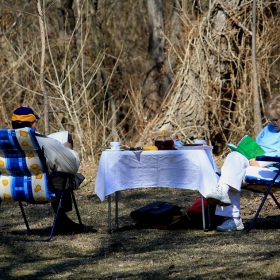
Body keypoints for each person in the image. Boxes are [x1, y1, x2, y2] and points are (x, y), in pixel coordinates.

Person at [206, 94, 280, 232]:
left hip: (274, 171)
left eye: (276, 120)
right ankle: (222, 191)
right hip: (255, 165)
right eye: (271, 120)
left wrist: (262, 163)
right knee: (234, 156)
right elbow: (257, 148)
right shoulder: (268, 129)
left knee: (232, 174)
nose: (273, 123)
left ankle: (234, 219)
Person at [11, 106, 86, 234]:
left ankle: (63, 220)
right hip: (43, 190)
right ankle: (62, 221)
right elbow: (72, 167)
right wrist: (67, 149)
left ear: (12, 126)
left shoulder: (5, 142)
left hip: (13, 189)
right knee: (63, 176)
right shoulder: (46, 143)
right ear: (33, 124)